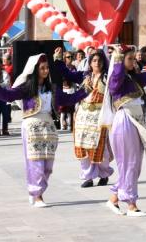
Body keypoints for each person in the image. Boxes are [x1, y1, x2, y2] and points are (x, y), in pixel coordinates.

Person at [0, 53, 81, 207]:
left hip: (49, 128)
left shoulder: (52, 88)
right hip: (32, 127)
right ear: (35, 70)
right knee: (35, 162)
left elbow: (68, 99)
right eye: (42, 68)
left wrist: (86, 90)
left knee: (48, 166)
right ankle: (37, 195)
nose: (45, 71)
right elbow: (9, 96)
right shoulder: (26, 88)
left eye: (46, 68)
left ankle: (37, 191)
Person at [105, 44, 146, 217]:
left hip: (135, 124)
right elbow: (116, 77)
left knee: (133, 165)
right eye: (130, 58)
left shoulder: (134, 79)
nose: (133, 61)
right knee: (129, 164)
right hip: (125, 121)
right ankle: (131, 205)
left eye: (134, 58)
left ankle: (114, 198)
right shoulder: (116, 80)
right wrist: (117, 57)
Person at [52, 47, 114, 187]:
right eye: (94, 60)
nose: (97, 63)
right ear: (90, 62)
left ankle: (104, 173)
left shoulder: (108, 78)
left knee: (99, 147)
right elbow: (66, 73)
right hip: (83, 115)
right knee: (82, 146)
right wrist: (58, 58)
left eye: (99, 61)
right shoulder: (84, 76)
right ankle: (88, 176)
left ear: (104, 63)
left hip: (99, 115)